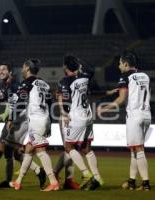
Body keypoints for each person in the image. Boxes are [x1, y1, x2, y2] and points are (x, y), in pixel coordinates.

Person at [0, 58, 46, 188]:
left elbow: (17, 103)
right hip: (16, 119)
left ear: (10, 72)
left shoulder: (15, 85)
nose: (0, 71)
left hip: (20, 119)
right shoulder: (6, 85)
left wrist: (8, 116)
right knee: (13, 153)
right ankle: (37, 171)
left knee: (3, 145)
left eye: (4, 69)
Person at [98, 51, 151, 191]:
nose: (119, 65)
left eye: (120, 63)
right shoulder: (144, 76)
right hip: (146, 115)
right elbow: (134, 87)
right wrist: (115, 90)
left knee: (138, 150)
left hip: (134, 116)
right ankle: (131, 182)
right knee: (135, 149)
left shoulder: (124, 77)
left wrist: (104, 109)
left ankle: (146, 184)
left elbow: (121, 100)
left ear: (126, 64)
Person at [8, 59, 59, 191]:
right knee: (28, 150)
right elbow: (50, 104)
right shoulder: (45, 84)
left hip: (36, 120)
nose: (22, 69)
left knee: (41, 151)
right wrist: (50, 123)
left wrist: (11, 119)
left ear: (27, 68)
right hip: (44, 118)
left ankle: (53, 181)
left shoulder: (27, 83)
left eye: (24, 67)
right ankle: (18, 181)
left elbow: (19, 102)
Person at [59, 54, 104, 190]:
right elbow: (91, 69)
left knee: (68, 147)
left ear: (65, 67)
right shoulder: (85, 77)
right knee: (87, 149)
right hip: (88, 116)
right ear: (77, 66)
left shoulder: (65, 81)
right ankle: (97, 177)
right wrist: (80, 61)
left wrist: (65, 114)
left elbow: (66, 101)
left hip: (76, 117)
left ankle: (87, 174)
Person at [53, 54, 81, 190]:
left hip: (72, 117)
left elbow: (59, 97)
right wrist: (64, 113)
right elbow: (61, 98)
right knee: (70, 149)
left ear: (65, 66)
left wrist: (63, 112)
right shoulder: (77, 80)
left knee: (71, 149)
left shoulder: (64, 81)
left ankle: (65, 179)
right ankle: (58, 176)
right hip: (69, 118)